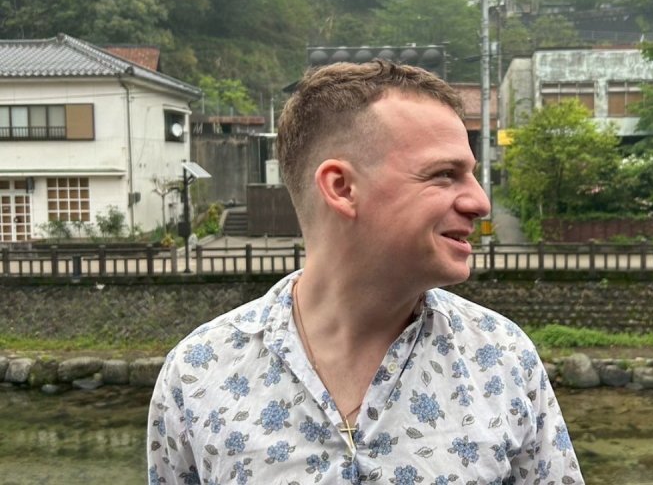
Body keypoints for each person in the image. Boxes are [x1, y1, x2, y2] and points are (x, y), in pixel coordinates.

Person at [147, 60, 584, 484]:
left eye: (470, 174)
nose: (480, 202)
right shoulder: (198, 374)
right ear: (341, 188)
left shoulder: (503, 359)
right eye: (444, 174)